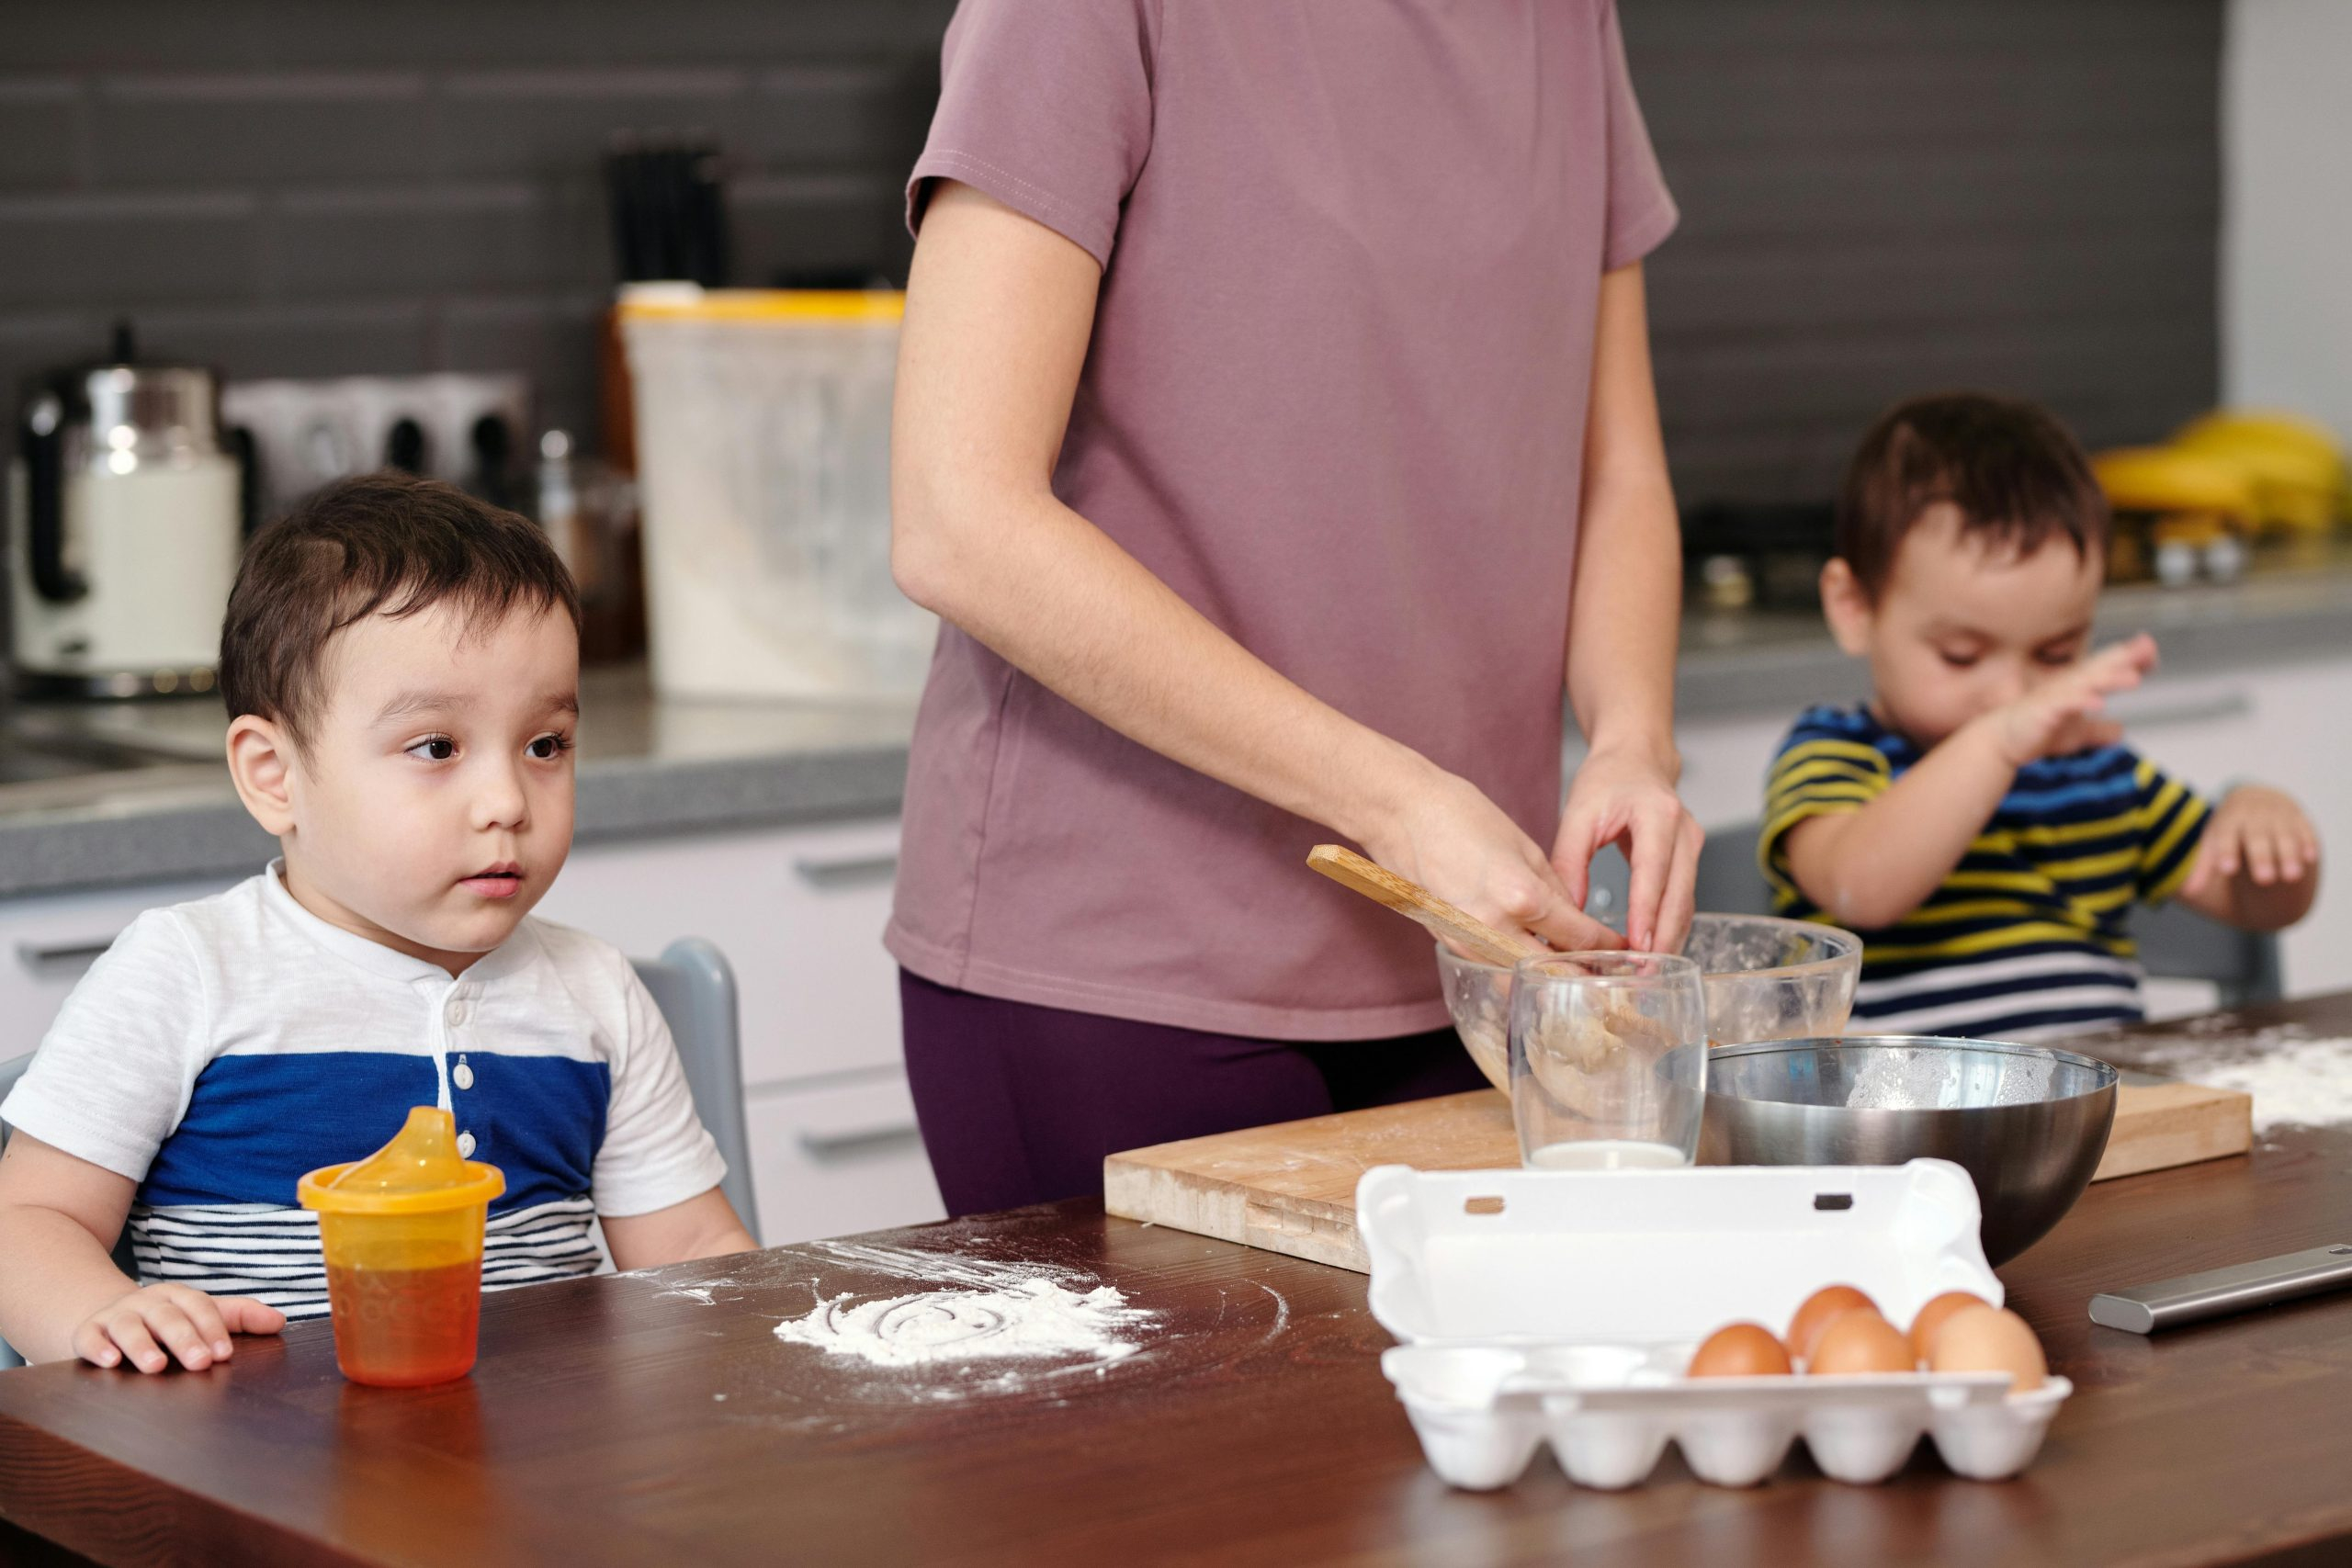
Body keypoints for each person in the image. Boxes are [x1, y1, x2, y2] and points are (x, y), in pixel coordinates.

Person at [885, 0, 1703, 1215]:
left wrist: (1633, 733)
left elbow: (1617, 471)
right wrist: (1404, 803)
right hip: (1122, 971)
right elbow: (960, 519)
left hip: (1475, 958)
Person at [0, 474, 756, 1373]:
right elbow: (27, 1222)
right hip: (251, 1477)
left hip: (548, 1481)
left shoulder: (593, 996)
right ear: (275, 776)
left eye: (544, 744)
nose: (506, 801)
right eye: (435, 747)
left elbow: (690, 1257)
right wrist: (108, 1315)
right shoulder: (186, 972)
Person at [1761, 393, 2321, 1039]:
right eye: (1962, 655)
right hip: (1902, 1133)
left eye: (2055, 653)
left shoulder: (2096, 771)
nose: (2012, 694)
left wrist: (2266, 828)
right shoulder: (1834, 752)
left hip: (2098, 1126)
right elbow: (1862, 888)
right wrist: (1996, 747)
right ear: (1855, 606)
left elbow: (2260, 905)